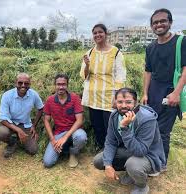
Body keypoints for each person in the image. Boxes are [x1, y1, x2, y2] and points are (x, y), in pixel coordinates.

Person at [94, 88, 165, 194]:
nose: (123, 106)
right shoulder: (114, 116)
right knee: (99, 161)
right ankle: (130, 172)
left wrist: (124, 127)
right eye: (120, 102)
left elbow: (141, 151)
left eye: (128, 102)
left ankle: (141, 186)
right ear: (115, 102)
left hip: (149, 155)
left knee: (133, 165)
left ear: (136, 102)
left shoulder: (146, 119)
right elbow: (110, 142)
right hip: (129, 150)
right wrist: (108, 165)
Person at [142, 8, 186, 165]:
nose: (159, 24)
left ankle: (161, 163)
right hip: (154, 91)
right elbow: (148, 71)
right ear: (152, 26)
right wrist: (145, 93)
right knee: (151, 125)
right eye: (155, 22)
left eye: (162, 21)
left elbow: (185, 69)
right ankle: (151, 157)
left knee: (163, 131)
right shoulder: (150, 47)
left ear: (170, 22)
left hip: (170, 91)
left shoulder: (181, 42)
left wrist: (176, 93)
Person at [80, 23, 126, 151]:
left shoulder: (116, 52)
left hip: (109, 97)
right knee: (97, 126)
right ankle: (102, 149)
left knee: (110, 126)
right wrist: (87, 65)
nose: (97, 35)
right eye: (95, 33)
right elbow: (84, 76)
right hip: (93, 97)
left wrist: (116, 97)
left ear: (106, 34)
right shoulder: (89, 52)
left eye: (100, 32)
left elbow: (120, 76)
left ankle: (113, 150)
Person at [43, 73, 87, 168]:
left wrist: (65, 137)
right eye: (58, 84)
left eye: (63, 84)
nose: (61, 87)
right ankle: (63, 149)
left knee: (81, 136)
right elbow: (46, 120)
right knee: (47, 162)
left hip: (74, 131)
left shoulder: (75, 98)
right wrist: (53, 139)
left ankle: (73, 153)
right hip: (59, 132)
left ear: (67, 85)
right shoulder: (50, 100)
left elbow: (79, 120)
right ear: (55, 85)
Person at [0, 73, 43, 158]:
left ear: (30, 84)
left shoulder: (33, 94)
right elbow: (3, 118)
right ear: (15, 83)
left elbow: (41, 108)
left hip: (25, 125)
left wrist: (34, 125)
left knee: (33, 150)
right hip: (9, 124)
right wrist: (18, 130)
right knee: (2, 133)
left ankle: (19, 140)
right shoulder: (7, 95)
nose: (23, 85)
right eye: (20, 83)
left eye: (26, 83)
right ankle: (12, 143)